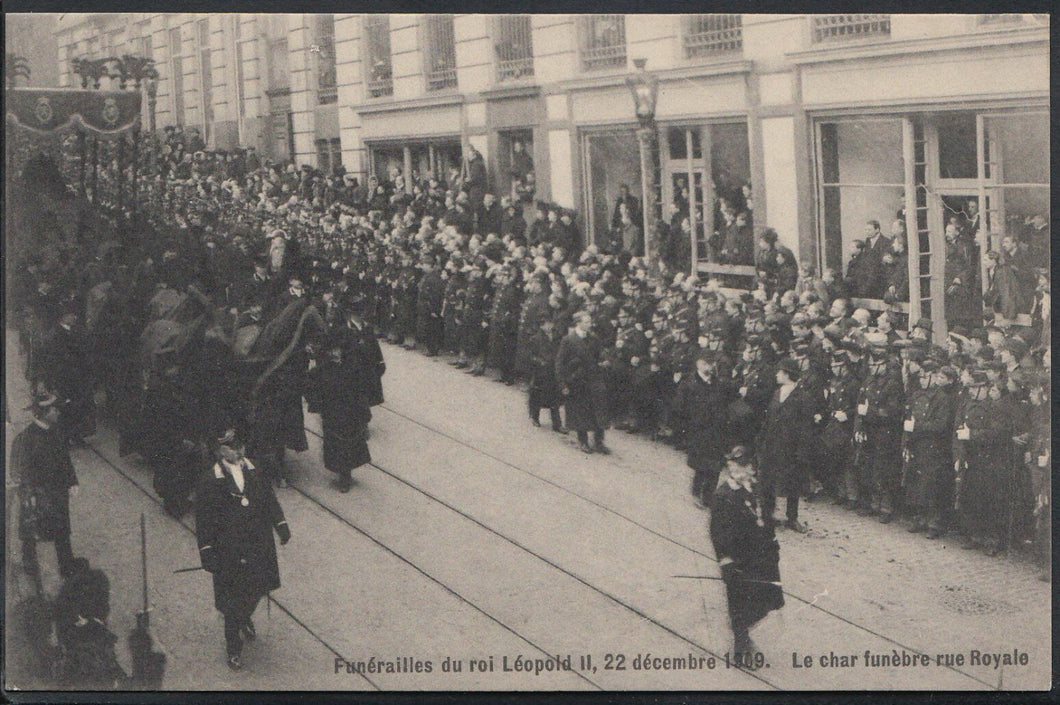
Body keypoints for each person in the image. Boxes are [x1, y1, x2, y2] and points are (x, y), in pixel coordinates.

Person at [196, 429, 290, 670]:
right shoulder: (211, 479)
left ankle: (244, 615)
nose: (236, 451)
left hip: (258, 544)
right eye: (229, 447)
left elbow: (269, 499)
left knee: (257, 588)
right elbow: (204, 518)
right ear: (219, 451)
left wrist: (281, 525)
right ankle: (233, 646)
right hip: (229, 550)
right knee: (231, 601)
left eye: (239, 446)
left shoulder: (255, 469)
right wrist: (206, 549)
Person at [709, 445, 783, 665]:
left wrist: (773, 541)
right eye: (736, 465)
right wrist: (725, 560)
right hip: (737, 557)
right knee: (739, 603)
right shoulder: (724, 494)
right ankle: (741, 648)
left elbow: (767, 517)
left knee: (765, 599)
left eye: (746, 465)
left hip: (760, 556)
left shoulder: (758, 490)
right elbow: (717, 531)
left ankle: (742, 633)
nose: (742, 470)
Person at [49, 561, 167, 689]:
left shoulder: (86, 643)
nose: (107, 606)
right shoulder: (89, 648)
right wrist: (142, 648)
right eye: (103, 599)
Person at [13, 392, 82, 583]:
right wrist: (28, 493)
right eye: (54, 409)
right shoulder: (27, 438)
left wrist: (72, 481)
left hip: (58, 490)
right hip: (38, 492)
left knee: (62, 527)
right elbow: (22, 469)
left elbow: (65, 460)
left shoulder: (57, 431)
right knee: (31, 527)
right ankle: (29, 561)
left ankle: (66, 564)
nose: (58, 412)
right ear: (44, 413)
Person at [306, 337, 372, 493]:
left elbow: (361, 391)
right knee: (336, 445)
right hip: (332, 413)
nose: (335, 353)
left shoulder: (352, 368)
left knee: (349, 444)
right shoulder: (322, 370)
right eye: (332, 351)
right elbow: (309, 387)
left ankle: (346, 476)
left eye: (337, 350)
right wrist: (318, 404)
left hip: (350, 412)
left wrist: (364, 414)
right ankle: (342, 473)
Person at [755, 357, 814, 533]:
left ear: (787, 374)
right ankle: (767, 515)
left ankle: (792, 518)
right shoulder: (777, 393)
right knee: (767, 480)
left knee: (792, 483)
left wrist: (802, 451)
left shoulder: (803, 397)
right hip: (771, 445)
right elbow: (769, 419)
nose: (776, 374)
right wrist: (762, 439)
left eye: (779, 372)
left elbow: (806, 428)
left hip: (791, 448)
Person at [674, 349, 732, 508]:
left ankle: (709, 496)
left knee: (715, 466)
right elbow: (680, 408)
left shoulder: (718, 383)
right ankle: (696, 493)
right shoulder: (688, 383)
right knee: (700, 465)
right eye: (706, 363)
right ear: (698, 364)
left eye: (712, 363)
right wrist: (687, 428)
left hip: (716, 431)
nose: (710, 367)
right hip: (698, 430)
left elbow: (725, 404)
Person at [556, 311, 611, 454]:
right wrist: (562, 383)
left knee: (599, 410)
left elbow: (600, 354)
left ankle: (599, 442)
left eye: (590, 321)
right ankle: (583, 441)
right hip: (577, 382)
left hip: (594, 379)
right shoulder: (568, 340)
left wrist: (604, 361)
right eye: (586, 322)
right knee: (581, 412)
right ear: (578, 323)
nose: (589, 324)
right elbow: (560, 363)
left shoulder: (594, 339)